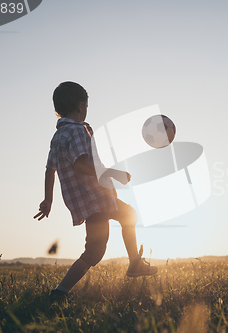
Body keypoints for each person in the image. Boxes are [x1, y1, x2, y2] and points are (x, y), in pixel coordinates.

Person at [34, 81, 157, 298]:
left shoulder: (57, 137)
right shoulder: (78, 131)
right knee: (95, 251)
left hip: (86, 201)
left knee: (127, 216)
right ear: (81, 106)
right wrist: (114, 173)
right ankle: (59, 293)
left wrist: (48, 200)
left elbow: (49, 170)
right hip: (95, 197)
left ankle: (134, 264)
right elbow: (81, 164)